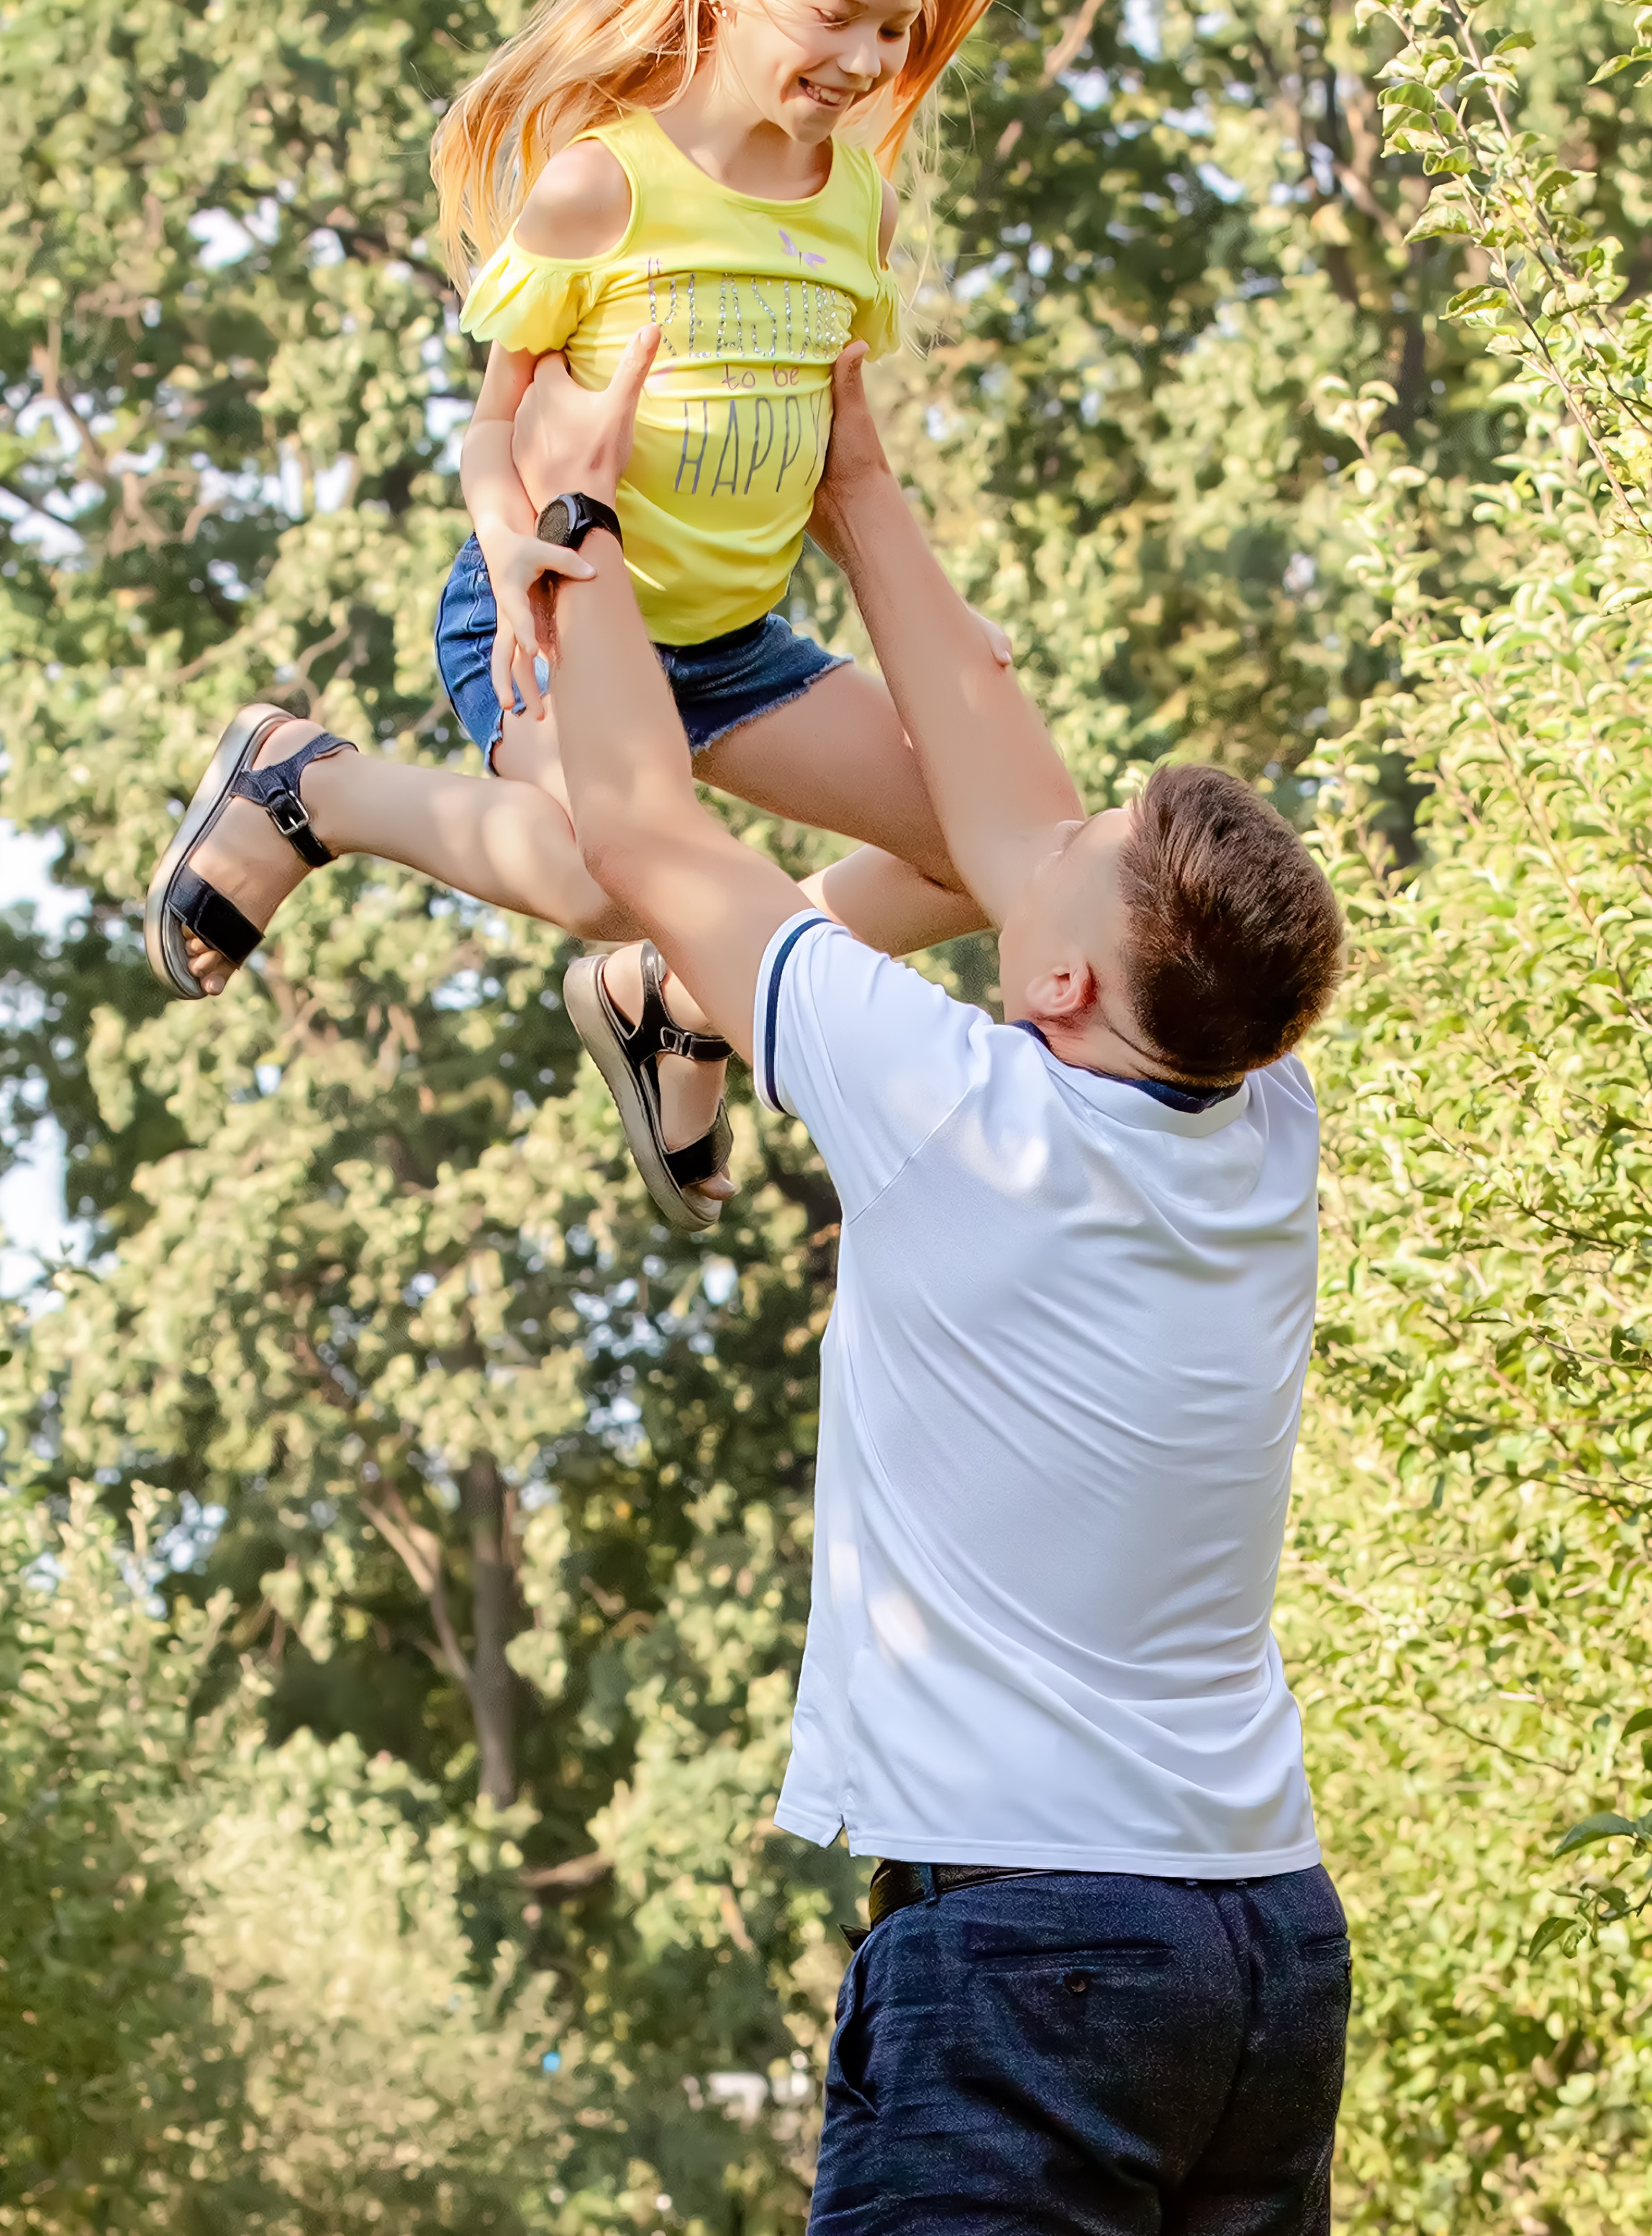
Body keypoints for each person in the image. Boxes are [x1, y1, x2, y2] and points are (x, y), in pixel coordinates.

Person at [502, 327, 1353, 2233]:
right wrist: (855, 478)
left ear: (1062, 984)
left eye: (1073, 853)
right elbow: (992, 758)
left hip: (1039, 1961)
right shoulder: (1260, 1120)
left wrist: (567, 522)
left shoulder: (956, 1109)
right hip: (1265, 1956)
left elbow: (641, 830)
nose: (1032, 836)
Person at [142, 0, 1014, 1234]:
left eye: (891, 30)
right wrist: (506, 537)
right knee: (605, 876)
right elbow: (496, 429)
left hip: (731, 646)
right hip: (552, 605)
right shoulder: (602, 184)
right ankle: (307, 789)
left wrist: (925, 622)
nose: (866, 63)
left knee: (979, 842)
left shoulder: (848, 198)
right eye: (836, 16)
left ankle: (681, 999)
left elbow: (815, 450)